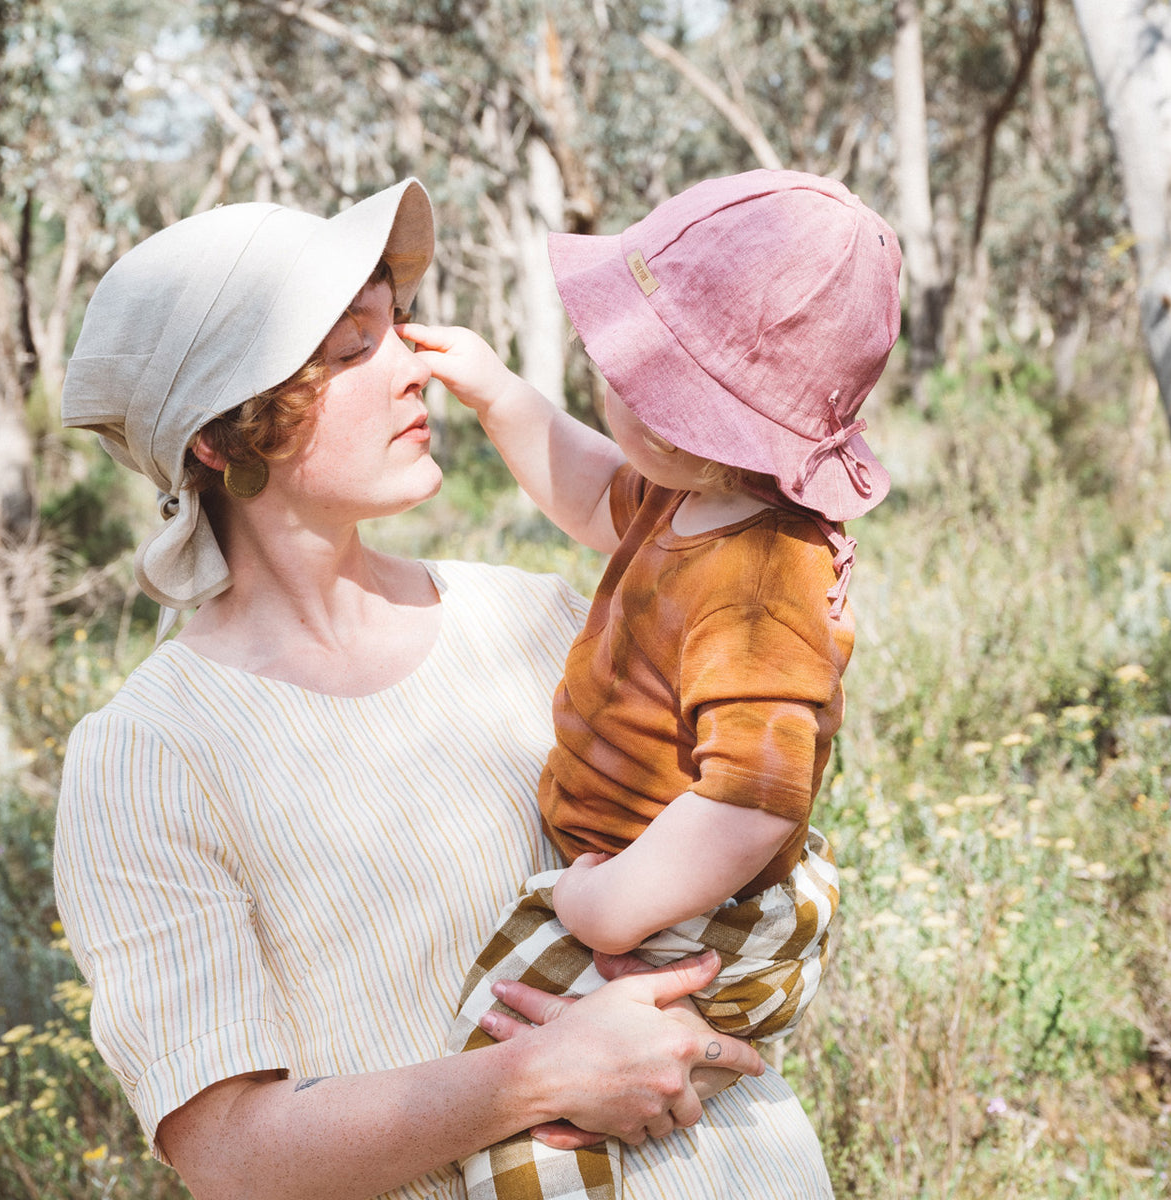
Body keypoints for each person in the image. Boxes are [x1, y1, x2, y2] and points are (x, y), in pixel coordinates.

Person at [52, 177, 839, 1200]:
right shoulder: (147, 758)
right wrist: (533, 1077)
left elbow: (749, 849)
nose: (413, 368)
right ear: (220, 435)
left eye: (399, 325)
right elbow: (230, 1154)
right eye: (347, 350)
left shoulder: (540, 616)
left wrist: (710, 1011)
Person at [404, 169, 901, 1200]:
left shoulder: (764, 574)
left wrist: (611, 910)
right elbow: (593, 491)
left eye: (628, 372)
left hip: (685, 894)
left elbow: (750, 803)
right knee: (521, 1063)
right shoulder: (686, 502)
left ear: (691, 420)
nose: (604, 377)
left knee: (528, 1100)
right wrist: (500, 394)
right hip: (650, 871)